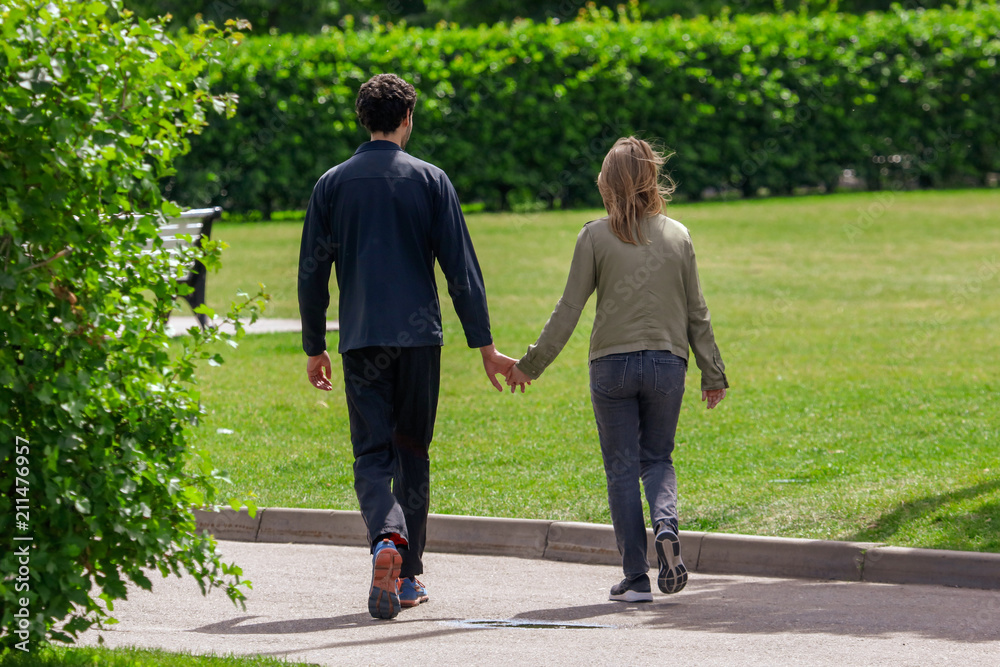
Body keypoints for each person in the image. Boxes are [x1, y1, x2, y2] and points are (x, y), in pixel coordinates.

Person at [298, 73, 522, 620]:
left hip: (360, 339)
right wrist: (485, 345)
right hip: (420, 340)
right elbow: (461, 272)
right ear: (406, 119)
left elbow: (312, 274)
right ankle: (408, 576)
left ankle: (385, 541)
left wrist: (314, 345)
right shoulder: (431, 179)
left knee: (372, 455)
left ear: (364, 119)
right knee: (412, 454)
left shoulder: (331, 184)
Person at [505, 136, 728, 602]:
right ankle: (666, 526)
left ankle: (636, 578)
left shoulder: (594, 235)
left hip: (611, 366)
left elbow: (568, 308)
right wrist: (713, 373)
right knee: (658, 459)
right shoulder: (678, 234)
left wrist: (531, 365)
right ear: (652, 177)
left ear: (608, 183)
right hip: (669, 363)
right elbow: (697, 312)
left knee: (622, 470)